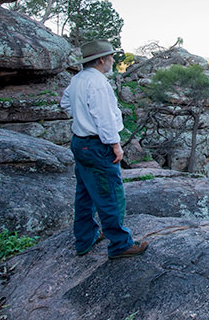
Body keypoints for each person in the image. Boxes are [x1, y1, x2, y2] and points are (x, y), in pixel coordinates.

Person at [61, 40, 148, 259]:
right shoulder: (98, 83)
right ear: (101, 60)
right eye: (111, 57)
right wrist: (115, 145)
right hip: (97, 144)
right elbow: (105, 118)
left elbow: (65, 103)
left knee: (84, 193)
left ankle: (85, 238)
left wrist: (82, 117)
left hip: (80, 142)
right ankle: (120, 244)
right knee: (111, 193)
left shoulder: (77, 79)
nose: (113, 60)